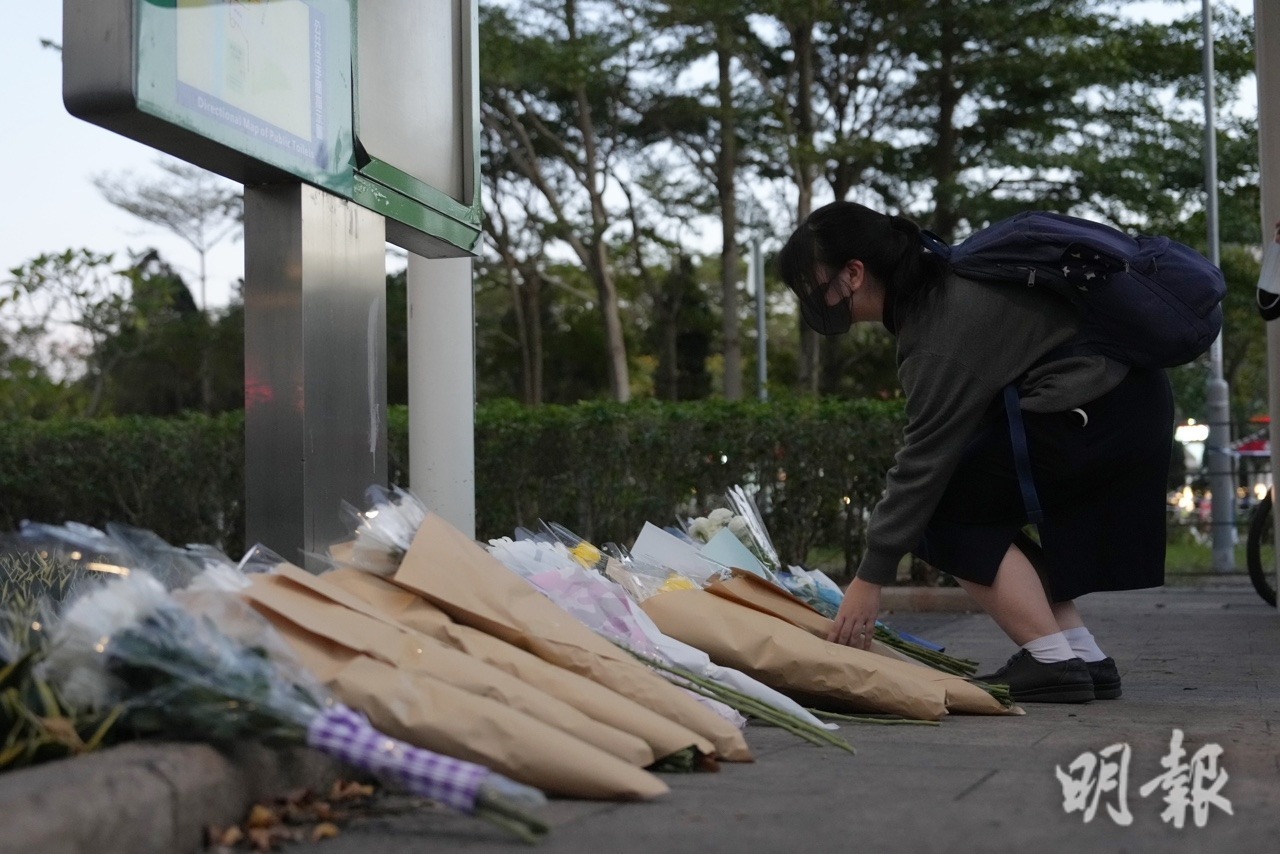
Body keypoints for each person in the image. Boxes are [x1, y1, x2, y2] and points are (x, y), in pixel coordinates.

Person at [778, 201, 1175, 703]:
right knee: (974, 502)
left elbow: (924, 461)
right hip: (1122, 406)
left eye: (814, 285)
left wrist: (868, 578)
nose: (812, 300)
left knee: (939, 507)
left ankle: (1051, 659)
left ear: (854, 273)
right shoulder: (939, 285)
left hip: (1096, 411)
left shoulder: (938, 324)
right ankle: (1078, 652)